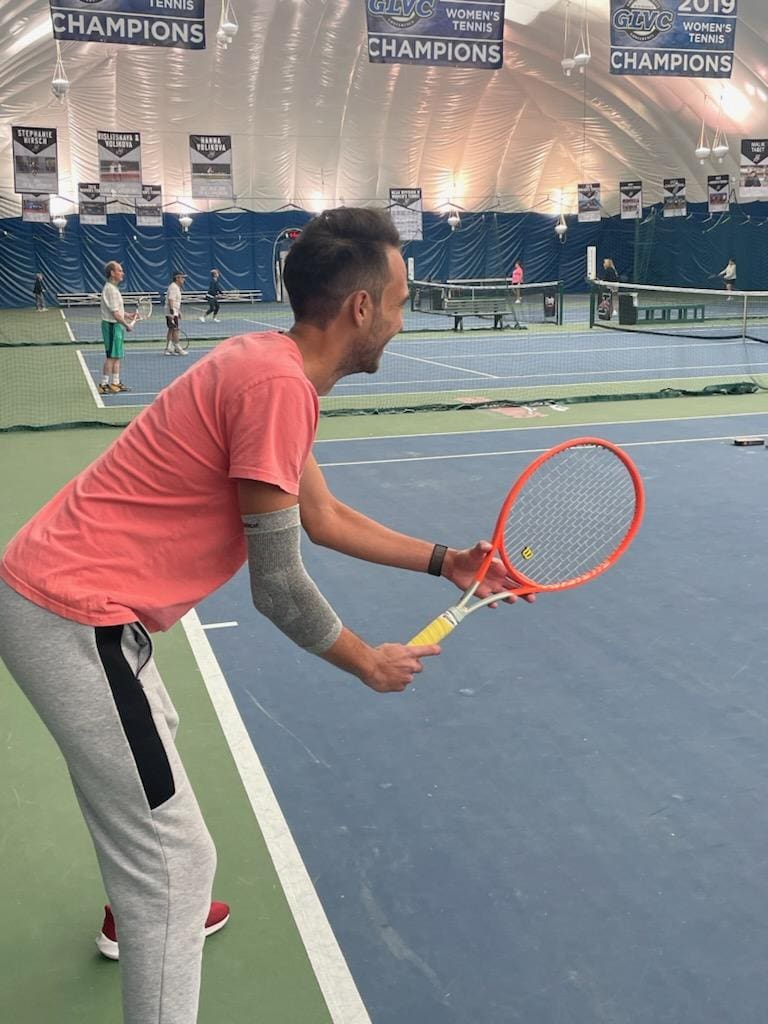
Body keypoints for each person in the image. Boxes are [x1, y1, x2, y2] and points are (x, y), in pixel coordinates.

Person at [0, 207, 529, 1024]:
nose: (400, 315)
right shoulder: (278, 384)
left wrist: (442, 561)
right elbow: (278, 586)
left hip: (73, 607)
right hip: (71, 615)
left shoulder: (270, 368)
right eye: (397, 299)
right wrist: (365, 659)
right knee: (177, 864)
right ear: (360, 308)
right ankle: (154, 902)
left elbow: (320, 516)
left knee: (151, 755)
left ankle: (130, 913)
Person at [99, 260, 134, 394]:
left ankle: (115, 383)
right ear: (112, 273)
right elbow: (115, 314)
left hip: (116, 325)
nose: (122, 273)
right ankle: (103, 384)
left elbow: (117, 309)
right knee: (111, 357)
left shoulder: (113, 289)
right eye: (119, 270)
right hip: (112, 326)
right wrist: (127, 325)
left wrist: (127, 314)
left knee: (117, 356)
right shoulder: (110, 290)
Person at [165, 270, 187, 355]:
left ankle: (169, 348)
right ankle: (177, 348)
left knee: (171, 329)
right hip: (171, 313)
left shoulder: (176, 287)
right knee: (175, 330)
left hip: (174, 311)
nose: (183, 279)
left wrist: (178, 311)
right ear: (177, 278)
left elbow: (175, 302)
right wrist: (172, 312)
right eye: (182, 277)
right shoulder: (173, 287)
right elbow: (171, 299)